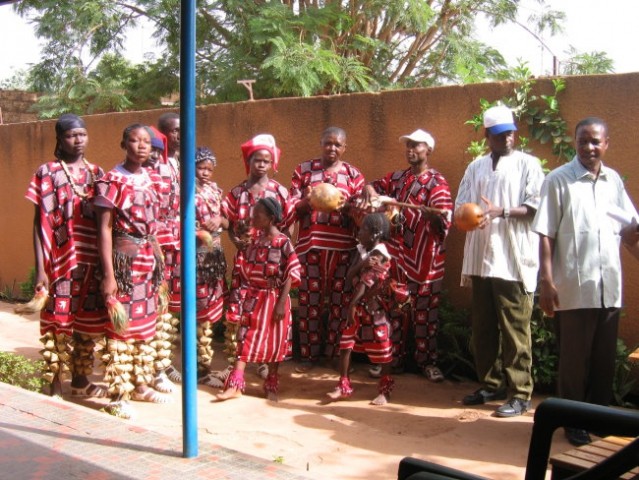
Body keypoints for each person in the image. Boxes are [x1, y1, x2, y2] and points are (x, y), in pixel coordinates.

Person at [532, 117, 639, 446]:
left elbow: (628, 231)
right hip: (574, 288)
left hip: (609, 287)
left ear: (607, 143)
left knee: (603, 360)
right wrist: (547, 281)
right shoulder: (558, 180)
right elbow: (546, 234)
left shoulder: (613, 183)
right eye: (583, 141)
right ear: (575, 142)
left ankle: (599, 416)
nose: (589, 147)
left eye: (595, 141)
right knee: (574, 361)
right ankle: (571, 421)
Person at [455, 105, 544, 417]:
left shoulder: (528, 165)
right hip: (481, 257)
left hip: (513, 258)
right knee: (483, 328)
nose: (507, 138)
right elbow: (461, 206)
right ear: (487, 136)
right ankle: (491, 384)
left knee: (515, 328)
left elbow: (535, 206)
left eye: (510, 132)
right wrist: (469, 219)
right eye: (499, 134)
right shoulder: (475, 167)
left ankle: (520, 393)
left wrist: (501, 211)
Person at [25, 113, 107, 398]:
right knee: (58, 321)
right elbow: (39, 222)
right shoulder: (47, 172)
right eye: (72, 135)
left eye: (82, 134)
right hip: (61, 260)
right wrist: (40, 269)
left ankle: (81, 379)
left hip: (92, 260)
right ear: (60, 138)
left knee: (88, 320)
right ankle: (55, 383)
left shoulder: (97, 174)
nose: (78, 140)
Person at [362, 129, 452, 381]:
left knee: (426, 313)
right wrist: (371, 191)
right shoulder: (398, 178)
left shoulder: (438, 183)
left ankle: (427, 363)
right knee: (396, 307)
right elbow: (373, 185)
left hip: (427, 259)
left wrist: (432, 213)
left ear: (429, 150)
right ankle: (393, 360)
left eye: (417, 145)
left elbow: (443, 221)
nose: (411, 149)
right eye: (408, 145)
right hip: (399, 256)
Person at [95, 123, 172, 418]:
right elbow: (104, 228)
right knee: (120, 327)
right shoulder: (112, 180)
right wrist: (109, 274)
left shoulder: (151, 179)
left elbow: (155, 225)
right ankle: (117, 393)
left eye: (145, 141)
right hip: (124, 261)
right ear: (123, 143)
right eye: (134, 140)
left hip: (148, 261)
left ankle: (140, 385)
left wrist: (160, 263)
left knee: (145, 325)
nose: (141, 146)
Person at [211, 134, 294, 386]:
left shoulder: (280, 192)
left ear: (272, 164)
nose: (261, 165)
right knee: (240, 312)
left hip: (270, 266)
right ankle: (236, 361)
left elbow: (288, 227)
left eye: (266, 161)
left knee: (268, 314)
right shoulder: (237, 192)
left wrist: (283, 256)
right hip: (245, 265)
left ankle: (263, 362)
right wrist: (234, 237)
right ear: (249, 161)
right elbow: (226, 219)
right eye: (257, 160)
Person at [290, 127, 365, 371]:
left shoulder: (354, 175)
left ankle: (334, 356)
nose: (332, 148)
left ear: (345, 148)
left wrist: (347, 208)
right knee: (309, 302)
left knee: (339, 303)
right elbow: (291, 208)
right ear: (320, 143)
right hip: (310, 247)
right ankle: (309, 357)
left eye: (337, 144)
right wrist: (307, 201)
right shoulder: (303, 171)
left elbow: (361, 215)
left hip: (343, 249)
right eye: (328, 143)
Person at [215, 197, 301, 402]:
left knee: (275, 342)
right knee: (244, 338)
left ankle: (271, 383)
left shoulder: (283, 242)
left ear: (271, 218)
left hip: (274, 300)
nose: (253, 218)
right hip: (253, 298)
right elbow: (244, 266)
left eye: (258, 214)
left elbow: (292, 271)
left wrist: (281, 302)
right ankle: (235, 384)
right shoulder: (254, 241)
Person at [328, 213, 407, 405]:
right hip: (357, 306)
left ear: (375, 233)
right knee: (345, 345)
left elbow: (366, 282)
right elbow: (349, 275)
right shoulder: (363, 250)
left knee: (382, 349)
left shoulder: (381, 254)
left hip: (373, 308)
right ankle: (343, 385)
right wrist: (363, 263)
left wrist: (352, 305)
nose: (359, 232)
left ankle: (385, 390)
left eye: (363, 229)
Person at [192, 146, 229, 386]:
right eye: (200, 167)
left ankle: (205, 366)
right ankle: (199, 370)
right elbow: (178, 222)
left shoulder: (216, 191)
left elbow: (227, 221)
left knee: (211, 312)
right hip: (196, 258)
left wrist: (220, 221)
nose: (205, 172)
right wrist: (200, 232)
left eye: (209, 169)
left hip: (215, 258)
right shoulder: (185, 190)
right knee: (199, 312)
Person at [156, 113, 182, 384]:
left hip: (178, 242)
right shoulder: (156, 165)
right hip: (159, 243)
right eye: (173, 131)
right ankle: (156, 365)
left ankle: (164, 360)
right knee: (158, 302)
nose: (178, 135)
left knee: (171, 304)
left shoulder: (180, 163)